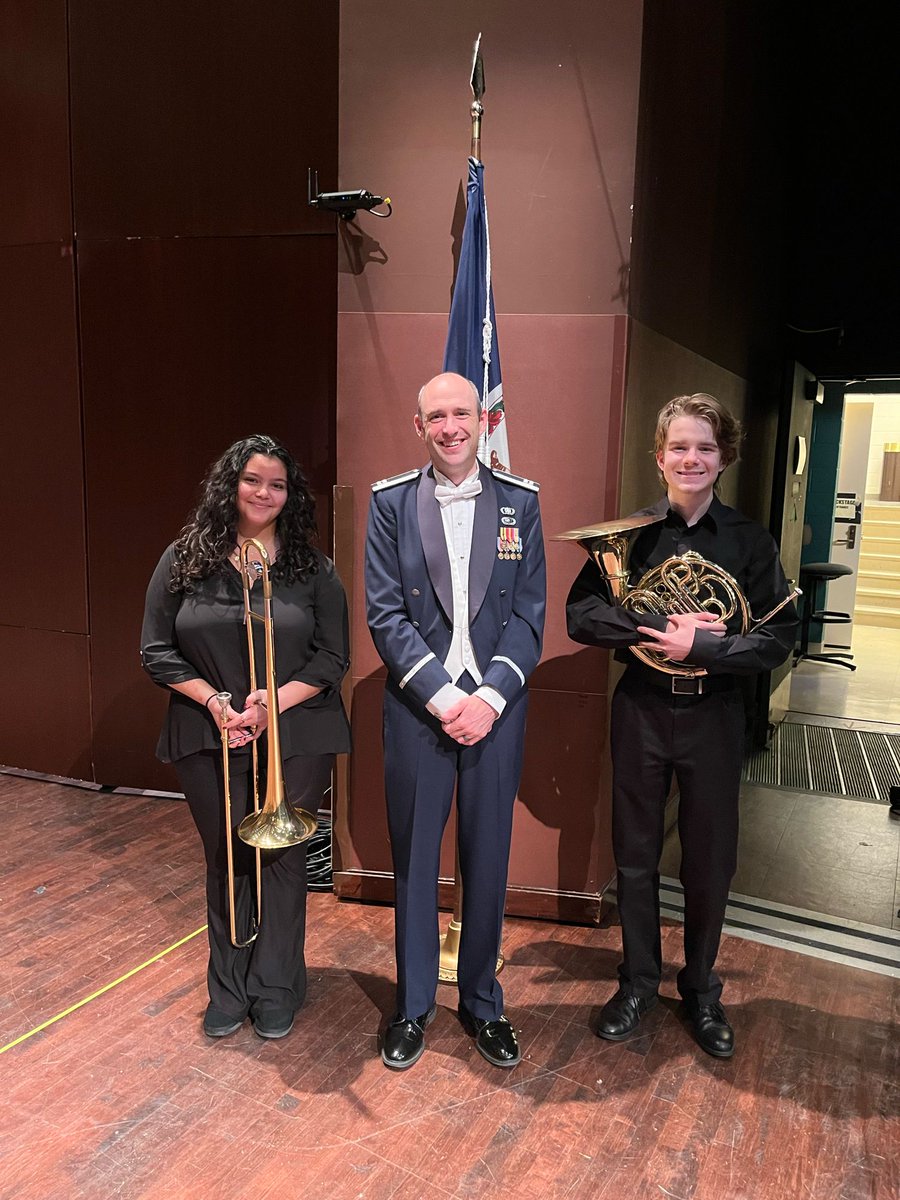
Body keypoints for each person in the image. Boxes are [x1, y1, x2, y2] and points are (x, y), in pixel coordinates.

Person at [566, 394, 797, 1058]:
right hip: (641, 706)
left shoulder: (750, 541)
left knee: (710, 859)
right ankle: (638, 983)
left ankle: (700, 990)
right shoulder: (631, 534)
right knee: (635, 854)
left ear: (724, 458)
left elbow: (778, 637)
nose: (691, 459)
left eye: (704, 448)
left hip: (715, 713)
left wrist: (706, 647)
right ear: (660, 457)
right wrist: (658, 626)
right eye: (678, 448)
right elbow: (581, 616)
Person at [141, 434, 350, 1040]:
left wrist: (270, 707)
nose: (264, 493)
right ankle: (229, 988)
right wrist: (215, 703)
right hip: (209, 731)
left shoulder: (313, 569)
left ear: (291, 495)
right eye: (252, 480)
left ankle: (276, 986)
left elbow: (333, 657)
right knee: (227, 857)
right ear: (230, 486)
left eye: (277, 484)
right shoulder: (184, 558)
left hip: (296, 732)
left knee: (281, 858)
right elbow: (155, 649)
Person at [365, 372, 546, 1070]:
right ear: (420, 426)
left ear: (483, 419)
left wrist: (489, 698)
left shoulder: (521, 501)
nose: (450, 427)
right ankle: (413, 1006)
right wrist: (445, 699)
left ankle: (481, 1002)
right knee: (414, 859)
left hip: (496, 709)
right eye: (436, 416)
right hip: (421, 707)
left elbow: (529, 614)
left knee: (488, 857)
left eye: (461, 413)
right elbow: (386, 614)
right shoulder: (390, 503)